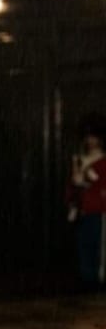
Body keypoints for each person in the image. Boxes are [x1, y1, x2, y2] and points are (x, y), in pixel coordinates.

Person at [66, 113, 106, 287]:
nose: (90, 141)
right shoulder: (80, 159)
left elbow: (99, 182)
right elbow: (73, 186)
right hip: (83, 209)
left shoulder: (103, 161)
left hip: (99, 210)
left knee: (98, 247)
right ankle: (87, 278)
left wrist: (87, 175)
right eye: (88, 137)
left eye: (94, 137)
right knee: (83, 246)